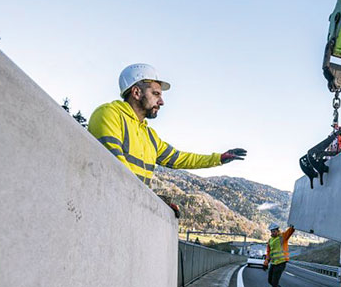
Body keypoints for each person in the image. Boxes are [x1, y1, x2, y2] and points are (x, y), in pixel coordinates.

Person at [88, 63, 246, 215]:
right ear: (136, 93)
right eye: (156, 94)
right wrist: (150, 200)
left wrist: (219, 158)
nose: (162, 102)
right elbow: (116, 171)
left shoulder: (149, 136)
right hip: (103, 208)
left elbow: (180, 158)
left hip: (128, 210)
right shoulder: (109, 115)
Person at [262, 223, 295, 287]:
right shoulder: (270, 240)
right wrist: (266, 262)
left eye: (274, 231)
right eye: (271, 231)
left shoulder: (283, 237)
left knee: (275, 282)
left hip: (281, 263)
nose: (272, 233)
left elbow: (291, 230)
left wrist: (294, 223)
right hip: (273, 263)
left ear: (277, 230)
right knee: (270, 281)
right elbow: (269, 252)